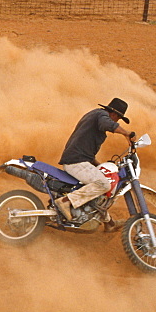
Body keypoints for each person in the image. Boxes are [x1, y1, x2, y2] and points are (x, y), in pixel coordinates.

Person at [55, 98, 135, 229]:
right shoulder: (101, 115)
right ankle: (65, 202)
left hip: (79, 159)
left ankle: (109, 223)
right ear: (114, 114)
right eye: (118, 118)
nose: (117, 121)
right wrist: (126, 133)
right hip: (75, 162)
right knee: (104, 184)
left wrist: (98, 165)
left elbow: (88, 152)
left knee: (100, 185)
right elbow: (107, 123)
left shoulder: (95, 118)